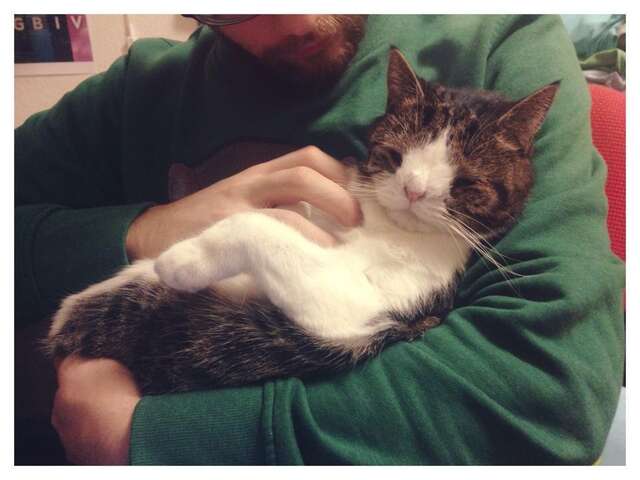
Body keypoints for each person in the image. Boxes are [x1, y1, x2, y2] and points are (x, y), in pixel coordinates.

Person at [15, 14, 624, 465]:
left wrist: (151, 439)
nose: (297, 17)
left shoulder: (504, 39)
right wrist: (139, 230)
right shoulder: (137, 88)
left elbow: (551, 396)